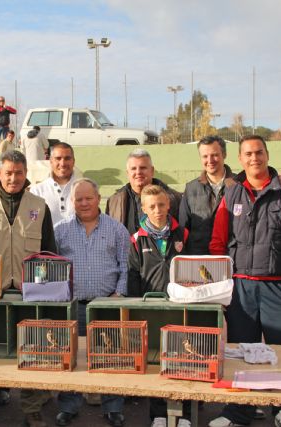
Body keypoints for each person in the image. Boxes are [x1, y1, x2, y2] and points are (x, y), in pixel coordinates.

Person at [208, 135, 281, 427]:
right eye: (247, 154)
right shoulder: (231, 193)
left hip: (279, 286)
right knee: (240, 351)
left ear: (267, 154)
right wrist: (223, 287)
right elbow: (218, 242)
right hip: (241, 287)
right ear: (240, 159)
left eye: (259, 152)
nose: (254, 158)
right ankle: (238, 412)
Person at [0, 150, 56, 427]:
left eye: (18, 173)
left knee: (33, 350)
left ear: (26, 174)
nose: (13, 178)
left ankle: (32, 408)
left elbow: (49, 253)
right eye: (8, 173)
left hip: (30, 294)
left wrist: (45, 291)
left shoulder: (39, 207)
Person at [54, 178, 129, 427]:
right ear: (72, 202)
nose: (84, 203)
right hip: (72, 304)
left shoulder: (117, 229)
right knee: (70, 356)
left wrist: (118, 295)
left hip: (106, 304)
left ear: (98, 199)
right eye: (79, 199)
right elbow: (53, 265)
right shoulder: (60, 230)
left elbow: (125, 266)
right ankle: (68, 406)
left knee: (110, 356)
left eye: (89, 198)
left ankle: (113, 407)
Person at [127, 184, 191, 425]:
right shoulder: (136, 239)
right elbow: (133, 276)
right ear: (144, 209)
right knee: (155, 361)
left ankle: (184, 413)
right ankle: (158, 414)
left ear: (169, 205)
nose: (157, 210)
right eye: (152, 206)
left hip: (179, 306)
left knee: (183, 359)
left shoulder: (182, 234)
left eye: (161, 205)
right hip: (151, 309)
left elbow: (192, 268)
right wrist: (135, 307)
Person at [106, 149, 182, 234]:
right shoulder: (113, 202)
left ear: (152, 171)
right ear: (127, 173)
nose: (138, 172)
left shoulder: (175, 198)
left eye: (143, 168)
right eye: (133, 168)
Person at [30, 142, 78, 226]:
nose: (62, 163)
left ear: (73, 161)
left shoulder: (85, 190)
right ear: (51, 161)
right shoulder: (37, 191)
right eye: (58, 158)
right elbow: (32, 223)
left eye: (67, 158)